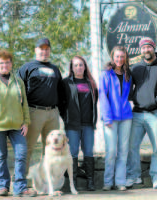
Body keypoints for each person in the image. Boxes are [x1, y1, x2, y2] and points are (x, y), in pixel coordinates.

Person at [0, 50, 36, 197]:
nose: (4, 65)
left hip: (18, 126)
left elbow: (24, 103)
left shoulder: (18, 81)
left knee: (21, 154)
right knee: (1, 156)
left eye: (7, 62)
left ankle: (20, 187)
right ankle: (3, 186)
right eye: (1, 63)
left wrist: (26, 122)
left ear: (11, 64)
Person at [126, 37, 157, 189]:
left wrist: (155, 100)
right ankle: (134, 176)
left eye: (149, 47)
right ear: (140, 50)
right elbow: (128, 87)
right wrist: (132, 97)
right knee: (132, 146)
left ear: (154, 48)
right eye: (143, 48)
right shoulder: (136, 68)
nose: (146, 50)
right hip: (138, 114)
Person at [18, 38, 64, 175]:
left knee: (51, 148)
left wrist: (61, 112)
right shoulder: (27, 67)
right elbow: (18, 92)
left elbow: (60, 91)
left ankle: (47, 180)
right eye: (41, 48)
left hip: (52, 113)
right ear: (36, 50)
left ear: (49, 50)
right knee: (27, 147)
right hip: (34, 111)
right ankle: (21, 180)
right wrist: (21, 114)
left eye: (47, 49)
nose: (44, 51)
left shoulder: (55, 69)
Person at [61, 56, 98, 191]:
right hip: (72, 125)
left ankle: (90, 181)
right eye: (75, 65)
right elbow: (61, 103)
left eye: (81, 65)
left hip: (88, 124)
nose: (78, 67)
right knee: (73, 152)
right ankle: (73, 183)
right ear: (71, 67)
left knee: (88, 151)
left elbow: (95, 101)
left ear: (85, 66)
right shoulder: (66, 83)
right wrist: (65, 118)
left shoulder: (91, 83)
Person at [99, 46, 133, 191]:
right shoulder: (106, 74)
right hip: (110, 118)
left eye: (122, 56)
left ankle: (120, 181)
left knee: (123, 151)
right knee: (111, 151)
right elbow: (103, 96)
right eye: (117, 56)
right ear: (113, 57)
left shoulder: (128, 74)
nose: (119, 59)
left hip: (126, 117)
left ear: (125, 58)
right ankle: (108, 182)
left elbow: (129, 94)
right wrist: (107, 118)